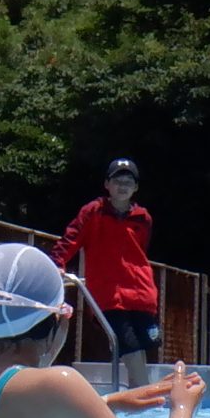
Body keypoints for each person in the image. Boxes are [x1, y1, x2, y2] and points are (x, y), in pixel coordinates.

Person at [0, 244, 204, 418]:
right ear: (54, 321)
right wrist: (183, 407)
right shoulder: (60, 384)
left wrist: (106, 402)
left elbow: (18, 409)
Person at [52, 157, 158, 390]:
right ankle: (146, 396)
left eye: (128, 181)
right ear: (107, 184)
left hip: (141, 294)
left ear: (136, 187)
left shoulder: (143, 218)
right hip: (110, 295)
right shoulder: (94, 212)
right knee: (128, 345)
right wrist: (57, 263)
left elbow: (141, 252)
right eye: (117, 180)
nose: (123, 185)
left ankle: (136, 403)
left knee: (143, 346)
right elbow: (71, 239)